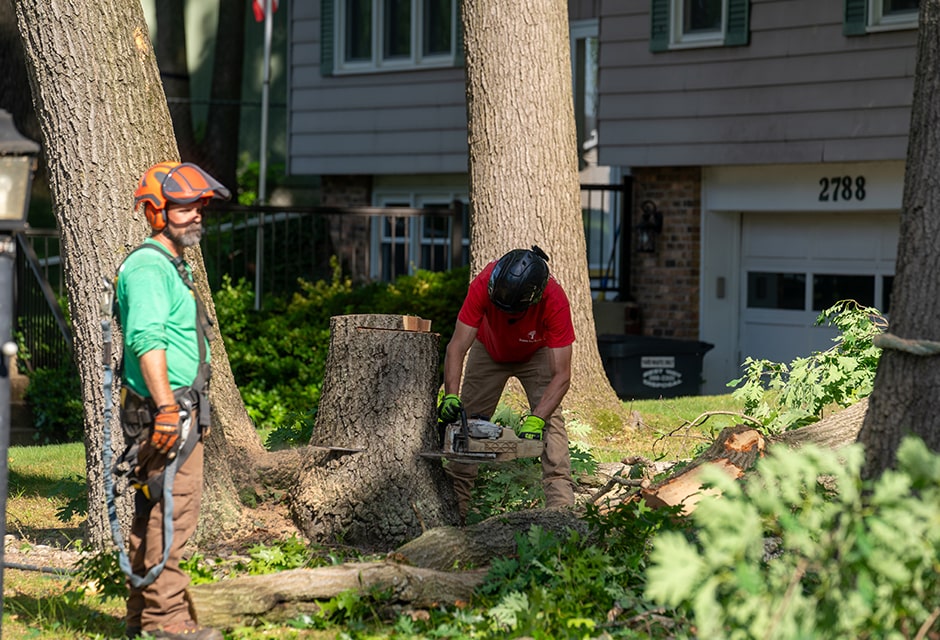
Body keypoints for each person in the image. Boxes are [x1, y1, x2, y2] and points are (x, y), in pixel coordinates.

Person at [116, 161, 229, 639]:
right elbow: (147, 340)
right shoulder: (147, 267)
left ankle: (143, 616)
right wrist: (166, 408)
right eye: (184, 207)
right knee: (174, 513)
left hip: (173, 409)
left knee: (154, 510)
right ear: (153, 212)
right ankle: (168, 625)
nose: (196, 214)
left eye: (199, 206)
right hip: (167, 411)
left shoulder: (168, 264)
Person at [438, 245, 576, 522]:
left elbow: (562, 375)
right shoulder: (484, 282)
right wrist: (451, 396)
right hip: (487, 348)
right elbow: (456, 347)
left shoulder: (554, 299)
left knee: (551, 424)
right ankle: (455, 513)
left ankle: (561, 511)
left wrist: (536, 418)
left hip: (535, 352)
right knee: (468, 424)